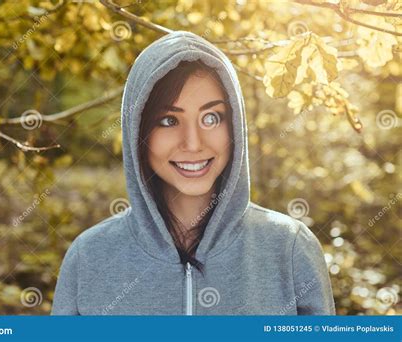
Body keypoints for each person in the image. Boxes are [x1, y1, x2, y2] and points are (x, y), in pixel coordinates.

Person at [51, 31, 335, 315]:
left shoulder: (289, 247)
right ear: (138, 131)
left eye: (211, 118)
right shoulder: (89, 256)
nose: (193, 143)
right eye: (168, 120)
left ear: (234, 124)